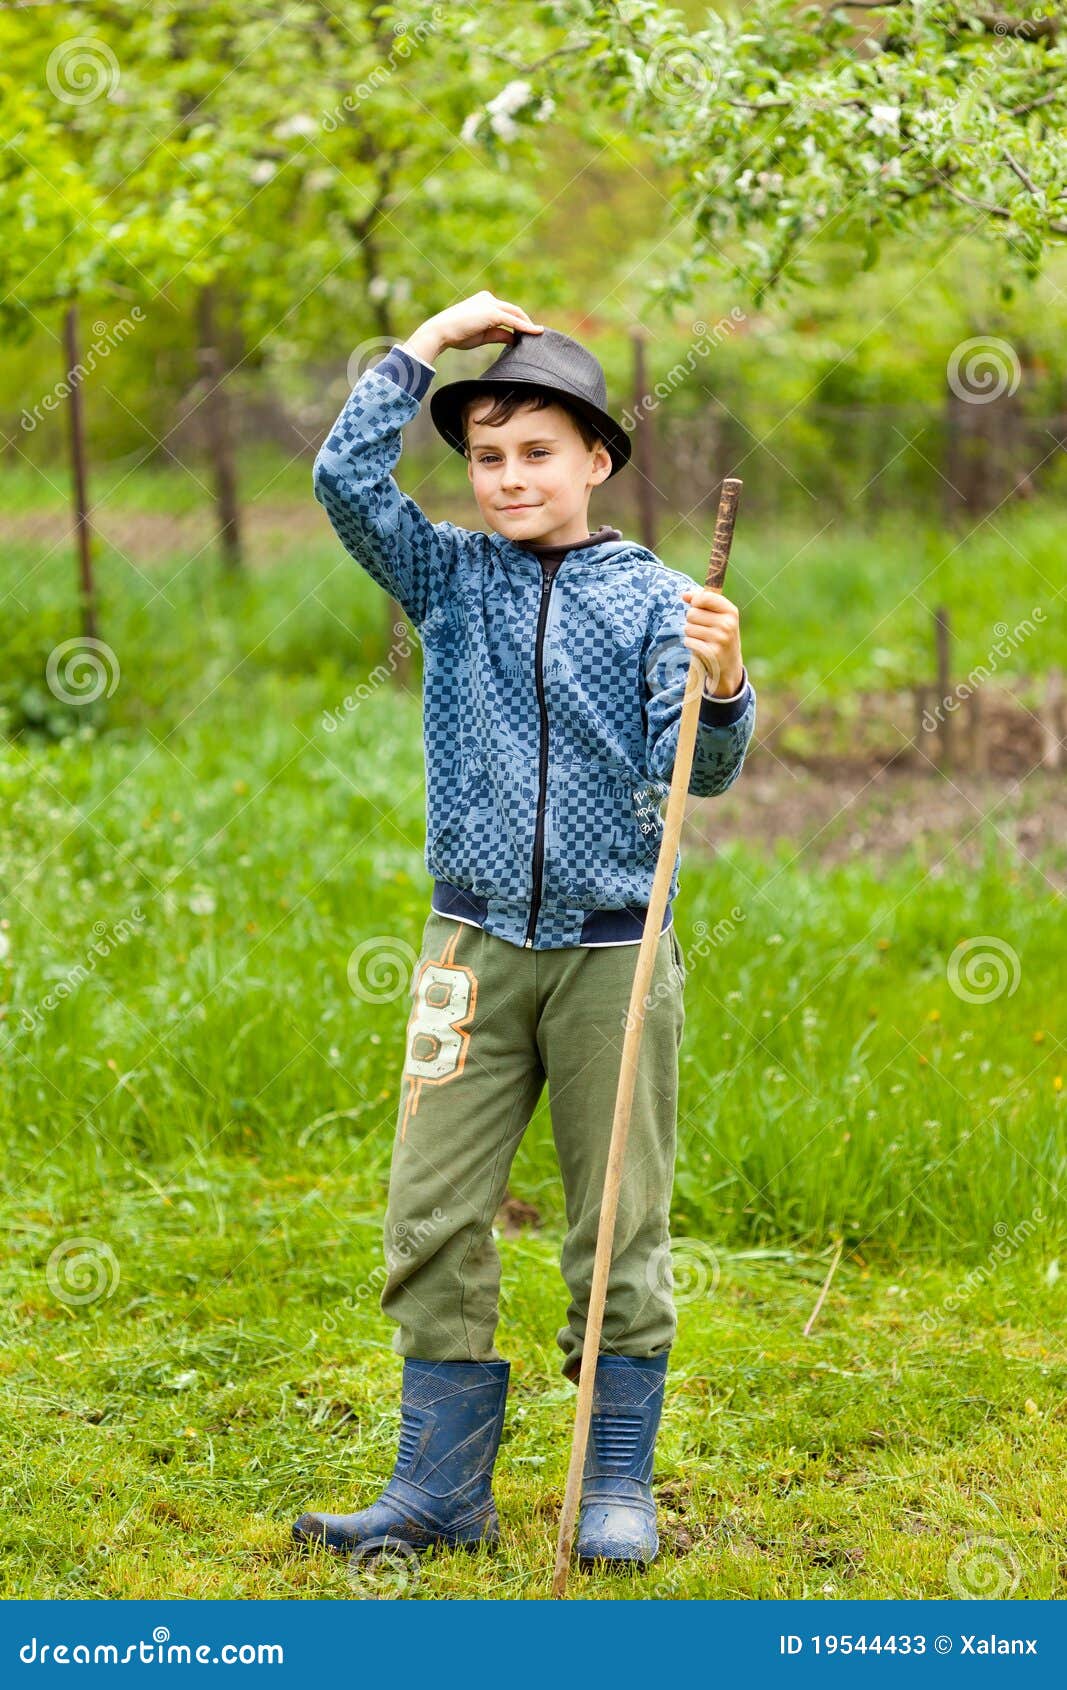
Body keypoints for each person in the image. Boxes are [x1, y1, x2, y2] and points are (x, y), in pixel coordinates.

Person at [292, 291, 756, 1570]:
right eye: (486, 456)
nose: (506, 478)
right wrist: (425, 345)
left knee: (615, 1220)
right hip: (468, 950)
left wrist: (721, 684)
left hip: (612, 952)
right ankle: (438, 1489)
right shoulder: (445, 574)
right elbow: (343, 477)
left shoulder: (660, 599)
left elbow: (701, 776)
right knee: (430, 1212)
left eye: (535, 452)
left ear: (596, 458)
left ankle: (611, 1484)